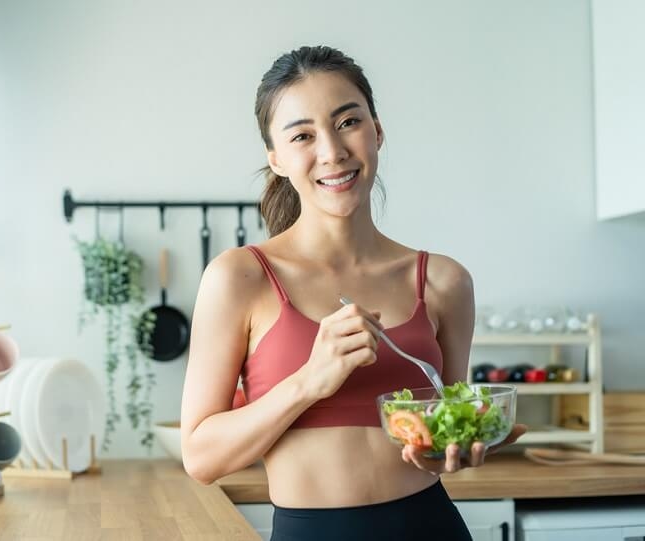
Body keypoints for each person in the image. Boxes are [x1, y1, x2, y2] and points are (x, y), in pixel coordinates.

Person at [180, 45, 525, 541]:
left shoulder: (444, 281)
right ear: (276, 159)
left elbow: (444, 428)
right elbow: (201, 458)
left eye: (347, 122)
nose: (332, 151)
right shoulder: (240, 278)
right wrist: (310, 380)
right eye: (302, 135)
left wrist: (457, 446)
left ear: (377, 131)